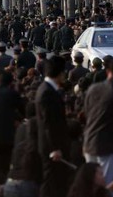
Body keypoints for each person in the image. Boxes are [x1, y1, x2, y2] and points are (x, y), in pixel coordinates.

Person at [35, 57, 72, 197]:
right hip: (52, 148)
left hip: (54, 146)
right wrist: (54, 148)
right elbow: (48, 123)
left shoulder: (48, 90)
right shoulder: (47, 93)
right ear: (59, 73)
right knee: (50, 183)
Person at [83, 57, 113, 191]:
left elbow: (87, 113)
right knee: (107, 188)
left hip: (89, 142)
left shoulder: (94, 89)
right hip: (107, 147)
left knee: (92, 187)